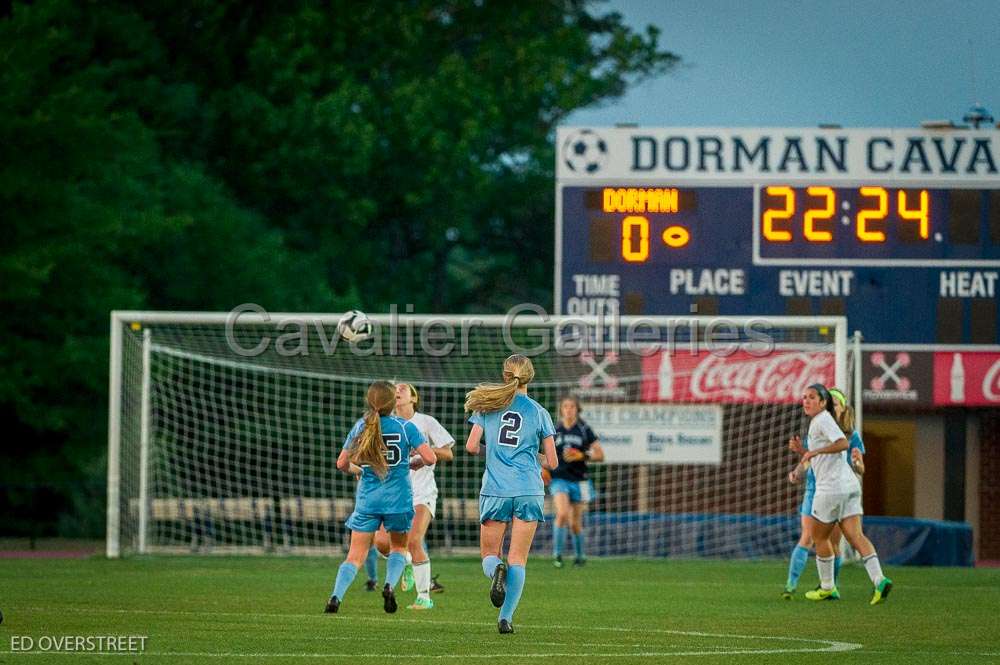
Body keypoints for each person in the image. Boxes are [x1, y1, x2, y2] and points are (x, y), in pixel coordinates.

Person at [324, 381, 436, 614]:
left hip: (368, 500)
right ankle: (388, 586)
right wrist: (412, 463)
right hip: (399, 500)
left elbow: (342, 463)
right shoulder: (405, 427)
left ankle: (335, 597)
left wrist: (359, 470)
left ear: (370, 401)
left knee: (355, 555)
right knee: (398, 548)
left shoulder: (361, 427)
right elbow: (430, 457)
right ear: (391, 402)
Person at [465, 354, 558, 634]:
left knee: (490, 554)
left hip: (496, 489)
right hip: (529, 490)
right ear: (530, 377)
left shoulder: (488, 405)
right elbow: (552, 462)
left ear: (505, 376)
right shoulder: (539, 412)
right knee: (518, 559)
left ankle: (496, 572)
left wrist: (492, 451)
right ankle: (505, 619)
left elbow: (471, 446)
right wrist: (532, 455)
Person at [789, 384, 891, 605]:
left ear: (823, 402)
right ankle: (879, 580)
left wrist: (815, 451)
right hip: (849, 487)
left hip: (830, 489)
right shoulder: (823, 422)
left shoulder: (822, 420)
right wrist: (804, 452)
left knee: (818, 538)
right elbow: (827, 454)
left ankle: (827, 587)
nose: (806, 401)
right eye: (804, 397)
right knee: (856, 536)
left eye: (812, 397)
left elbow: (842, 444)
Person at [369, 383, 455, 610]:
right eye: (395, 389)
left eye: (404, 388)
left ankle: (424, 596)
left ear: (413, 398)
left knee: (414, 540)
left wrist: (423, 450)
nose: (398, 390)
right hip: (393, 493)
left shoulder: (426, 422)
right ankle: (406, 561)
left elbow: (448, 452)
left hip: (422, 493)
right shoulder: (385, 424)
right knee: (380, 542)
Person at [781, 386, 865, 598]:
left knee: (833, 543)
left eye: (835, 404)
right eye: (831, 403)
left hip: (838, 490)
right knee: (808, 537)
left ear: (843, 408)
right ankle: (791, 586)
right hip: (815, 489)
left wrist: (857, 465)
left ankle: (830, 587)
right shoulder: (818, 426)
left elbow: (861, 468)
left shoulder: (851, 436)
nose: (832, 407)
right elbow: (811, 458)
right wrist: (797, 470)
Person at [550, 395, 604, 567]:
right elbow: (545, 454)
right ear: (561, 409)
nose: (568, 409)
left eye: (572, 406)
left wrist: (581, 455)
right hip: (559, 478)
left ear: (577, 410)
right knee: (562, 514)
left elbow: (600, 455)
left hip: (579, 480)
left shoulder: (584, 429)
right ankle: (557, 556)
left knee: (575, 523)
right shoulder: (554, 429)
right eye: (565, 406)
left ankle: (580, 556)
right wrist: (543, 470)